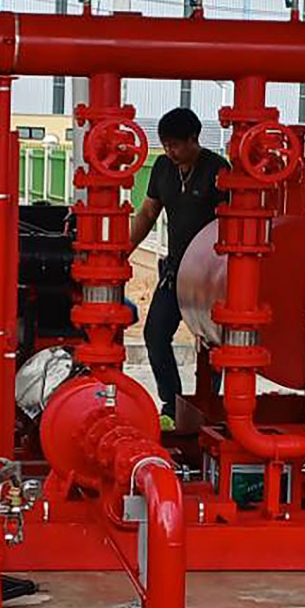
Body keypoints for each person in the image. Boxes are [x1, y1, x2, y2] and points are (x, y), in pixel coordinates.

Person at [128, 107, 230, 430]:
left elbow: (230, 224)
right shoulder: (162, 168)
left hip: (210, 277)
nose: (169, 151)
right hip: (174, 271)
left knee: (212, 344)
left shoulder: (218, 170)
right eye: (165, 144)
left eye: (175, 144)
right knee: (155, 334)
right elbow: (148, 212)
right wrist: (122, 251)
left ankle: (206, 406)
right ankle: (171, 404)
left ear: (193, 139)